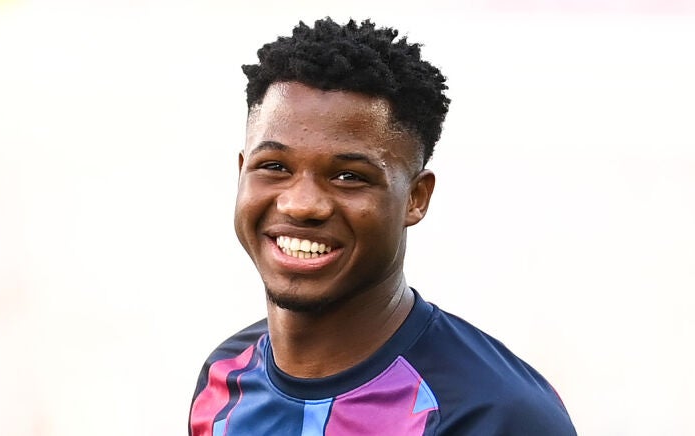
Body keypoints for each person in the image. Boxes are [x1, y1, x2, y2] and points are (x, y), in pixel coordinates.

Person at [188, 17, 577, 435]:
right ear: (242, 172)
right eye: (275, 167)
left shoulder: (493, 414)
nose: (301, 204)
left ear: (416, 197)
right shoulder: (226, 377)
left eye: (349, 176)